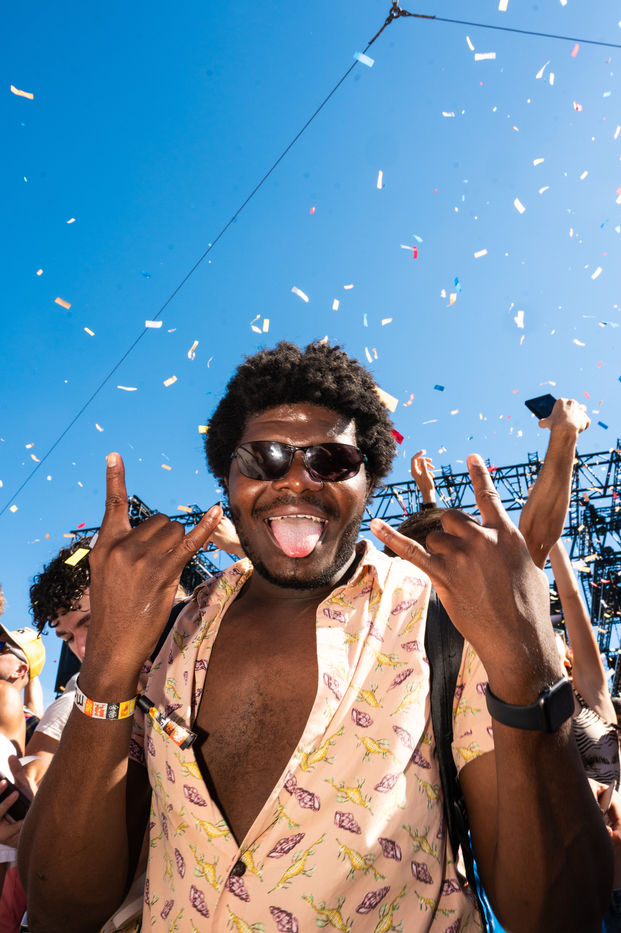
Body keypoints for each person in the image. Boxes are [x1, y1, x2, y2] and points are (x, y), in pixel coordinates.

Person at [20, 342, 611, 932]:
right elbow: (60, 909)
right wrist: (106, 668)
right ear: (228, 476)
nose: (297, 481)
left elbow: (558, 914)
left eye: (331, 460)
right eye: (265, 457)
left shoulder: (443, 618)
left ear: (370, 478)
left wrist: (528, 668)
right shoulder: (173, 637)